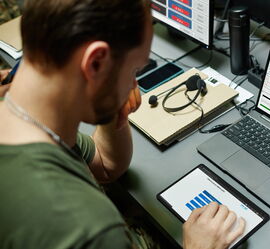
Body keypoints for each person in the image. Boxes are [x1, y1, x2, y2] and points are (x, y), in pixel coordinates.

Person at [0, 0, 245, 249]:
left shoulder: (28, 115)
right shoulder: (86, 228)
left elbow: (106, 165)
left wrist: (112, 103)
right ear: (95, 63)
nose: (132, 85)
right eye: (134, 70)